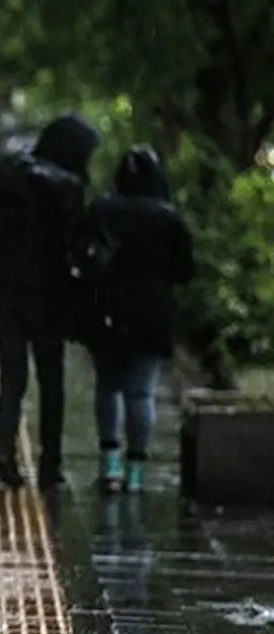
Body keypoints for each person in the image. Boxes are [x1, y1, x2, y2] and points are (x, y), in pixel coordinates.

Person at [0, 113, 100, 489]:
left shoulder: (10, 173)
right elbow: (75, 243)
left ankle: (4, 451)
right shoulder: (68, 186)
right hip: (50, 293)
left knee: (12, 376)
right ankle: (50, 463)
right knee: (51, 379)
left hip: (7, 288)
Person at [79, 146, 194, 492]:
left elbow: (81, 256)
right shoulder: (168, 217)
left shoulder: (101, 210)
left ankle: (109, 463)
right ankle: (136, 471)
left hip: (107, 309)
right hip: (152, 312)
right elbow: (185, 270)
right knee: (141, 392)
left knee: (108, 386)